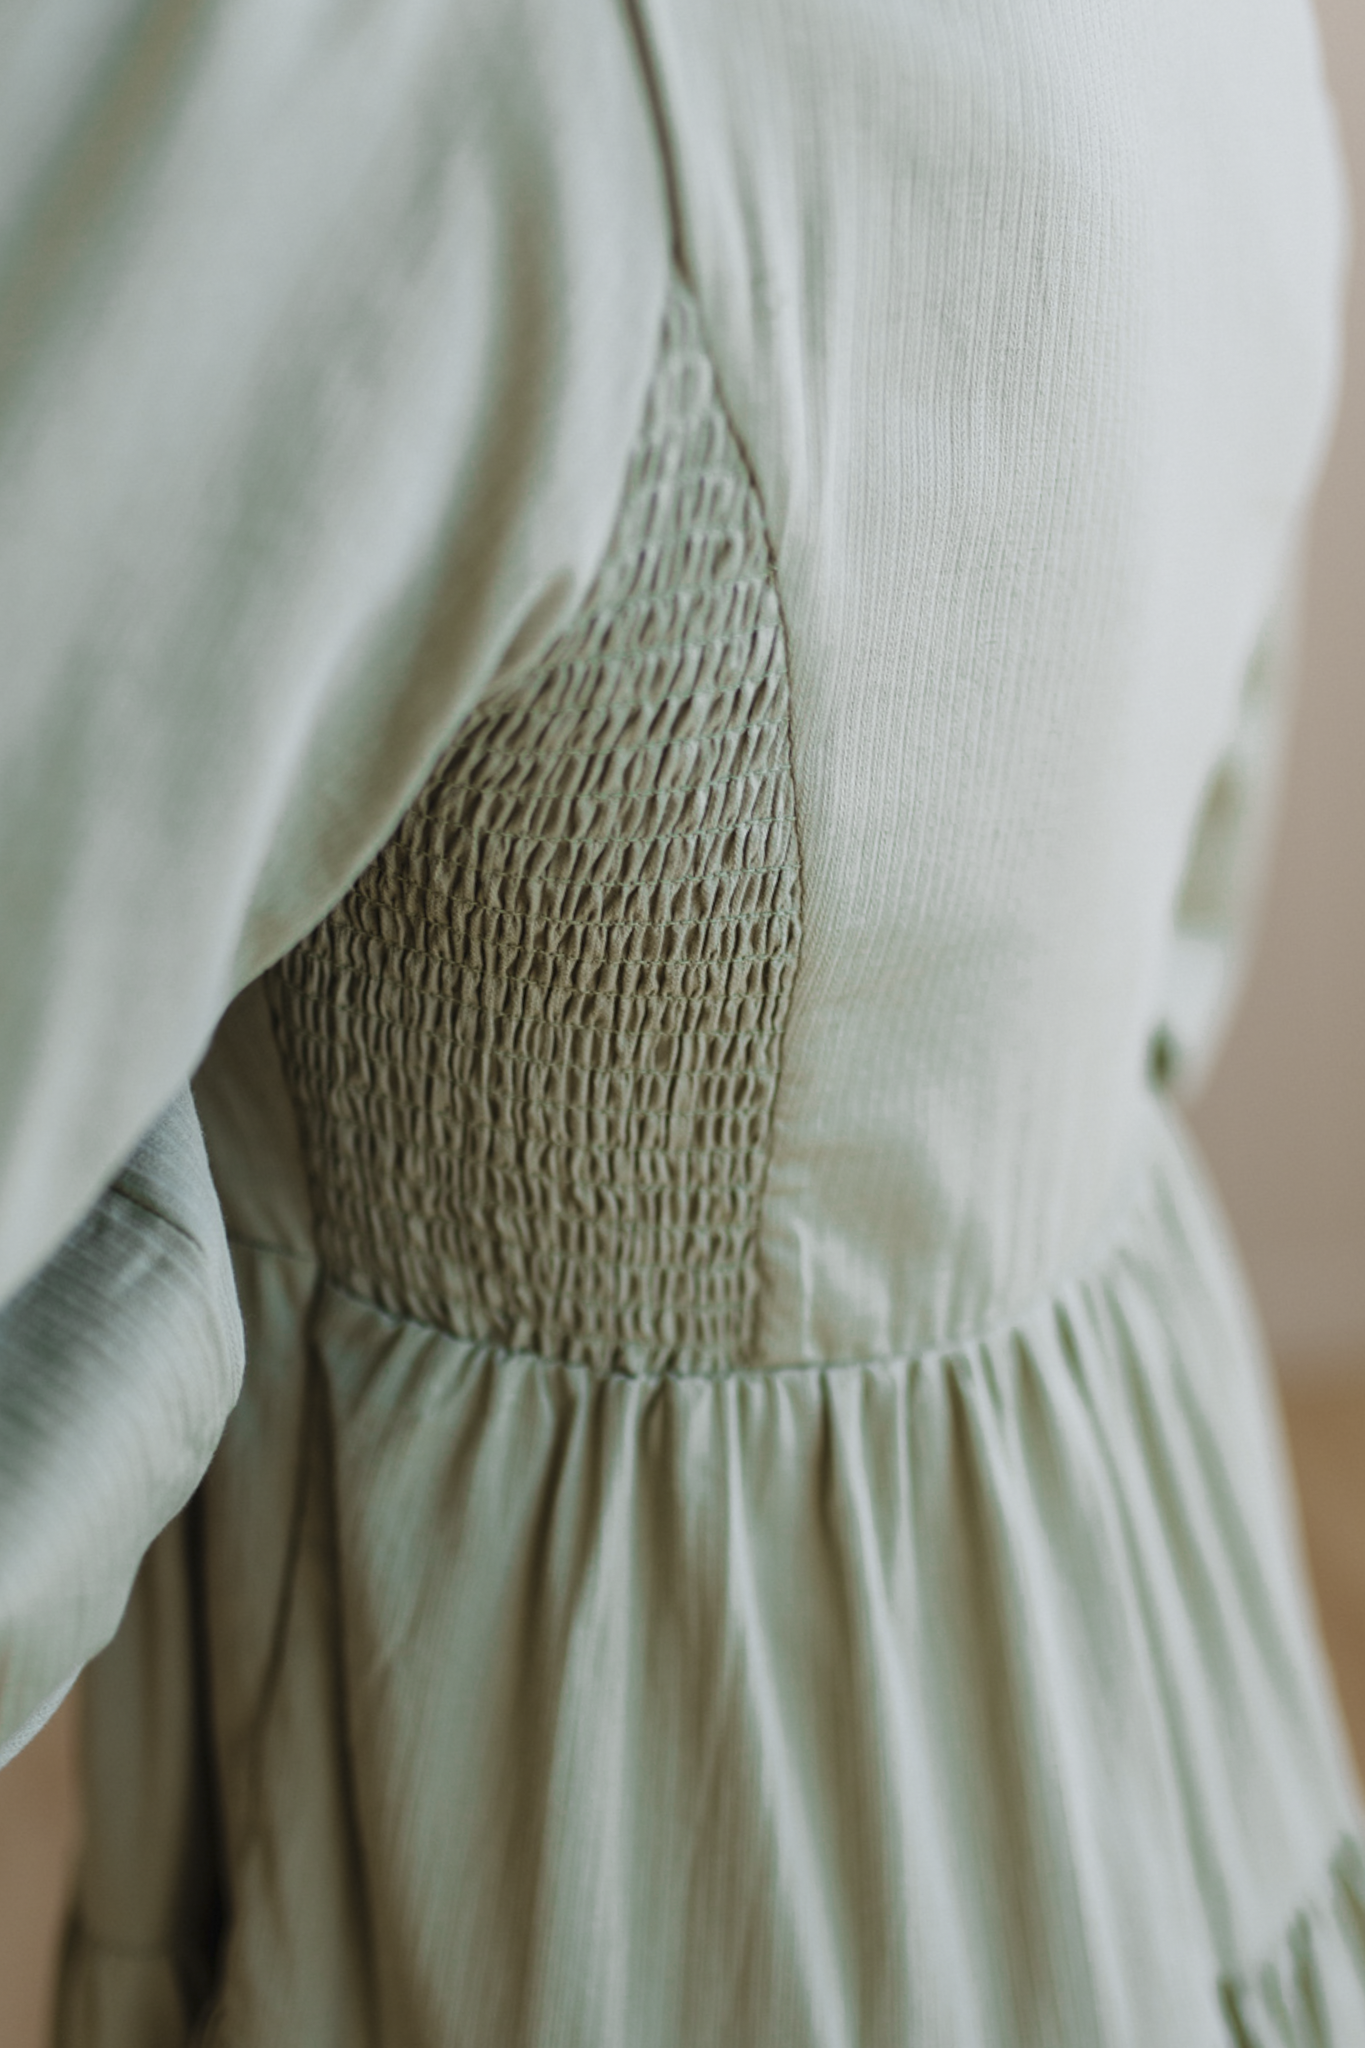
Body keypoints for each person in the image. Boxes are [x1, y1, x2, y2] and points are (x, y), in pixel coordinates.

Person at [0, 1, 1358, 2041]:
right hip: (1134, 1675)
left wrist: (183, 1290)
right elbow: (1158, 951)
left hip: (577, 1830)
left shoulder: (382, 68)